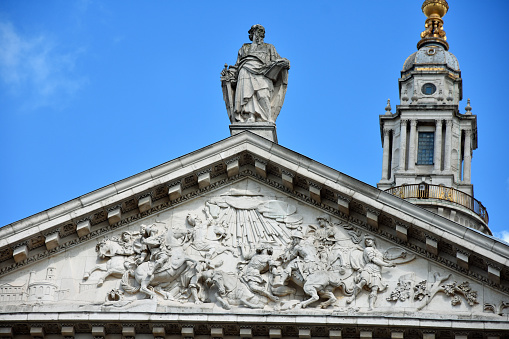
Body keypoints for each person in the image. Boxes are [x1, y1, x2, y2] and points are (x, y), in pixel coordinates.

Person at [225, 24, 290, 123]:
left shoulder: (269, 47)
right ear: (252, 34)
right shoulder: (244, 48)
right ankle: (250, 116)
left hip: (263, 73)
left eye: (261, 32)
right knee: (247, 96)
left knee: (263, 95)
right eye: (256, 31)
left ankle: (266, 118)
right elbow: (237, 66)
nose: (259, 34)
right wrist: (229, 73)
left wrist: (285, 63)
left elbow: (277, 60)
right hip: (245, 71)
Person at [346, 236, 395, 310]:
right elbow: (374, 259)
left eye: (369, 239)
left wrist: (401, 255)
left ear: (373, 241)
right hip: (369, 268)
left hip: (377, 271)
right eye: (366, 240)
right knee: (363, 281)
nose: (367, 241)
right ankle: (352, 297)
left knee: (375, 288)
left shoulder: (379, 252)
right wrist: (387, 265)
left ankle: (371, 305)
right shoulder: (367, 249)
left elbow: (387, 257)